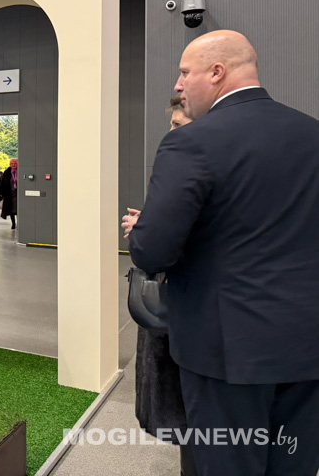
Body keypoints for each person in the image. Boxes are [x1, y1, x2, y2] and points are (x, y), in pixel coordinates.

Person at [125, 31, 319, 475]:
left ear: (217, 72)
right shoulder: (312, 133)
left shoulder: (190, 142)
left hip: (226, 353)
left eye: (184, 72)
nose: (178, 85)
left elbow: (152, 252)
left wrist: (144, 230)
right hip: (308, 344)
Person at [125, 96, 197, 476]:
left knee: (197, 427)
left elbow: (156, 251)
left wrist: (145, 231)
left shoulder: (191, 168)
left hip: (191, 313)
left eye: (178, 126)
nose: (170, 133)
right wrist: (151, 221)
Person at [0, 157, 18, 229]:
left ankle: (19, 223)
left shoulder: (21, 171)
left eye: (15, 163)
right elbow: (3, 183)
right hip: (9, 193)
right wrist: (1, 193)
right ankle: (13, 223)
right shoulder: (7, 172)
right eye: (11, 163)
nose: (13, 165)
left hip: (18, 194)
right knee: (11, 209)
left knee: (18, 209)